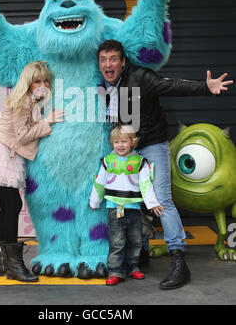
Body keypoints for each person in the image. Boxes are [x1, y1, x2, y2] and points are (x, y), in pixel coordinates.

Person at [97, 39, 233, 290]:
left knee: (161, 200)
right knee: (130, 200)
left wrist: (205, 87)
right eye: (103, 60)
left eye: (113, 59)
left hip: (152, 146)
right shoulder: (103, 85)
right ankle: (141, 253)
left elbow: (173, 86)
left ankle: (179, 262)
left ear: (123, 62)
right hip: (127, 151)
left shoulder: (140, 77)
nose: (108, 64)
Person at [0, 61, 64, 283]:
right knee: (12, 206)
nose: (42, 85)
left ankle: (1, 262)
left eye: (44, 81)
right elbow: (22, 136)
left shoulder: (30, 100)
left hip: (4, 150)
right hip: (1, 153)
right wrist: (48, 120)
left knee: (8, 206)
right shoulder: (23, 102)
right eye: (37, 81)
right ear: (28, 83)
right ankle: (14, 266)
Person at [89, 125, 164, 286]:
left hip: (134, 210)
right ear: (112, 143)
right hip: (114, 208)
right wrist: (94, 201)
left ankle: (132, 267)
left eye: (124, 141)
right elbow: (99, 183)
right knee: (117, 242)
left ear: (133, 142)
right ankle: (115, 271)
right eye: (116, 142)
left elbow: (145, 184)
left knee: (135, 241)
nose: (120, 145)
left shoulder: (139, 162)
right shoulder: (107, 161)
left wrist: (152, 203)